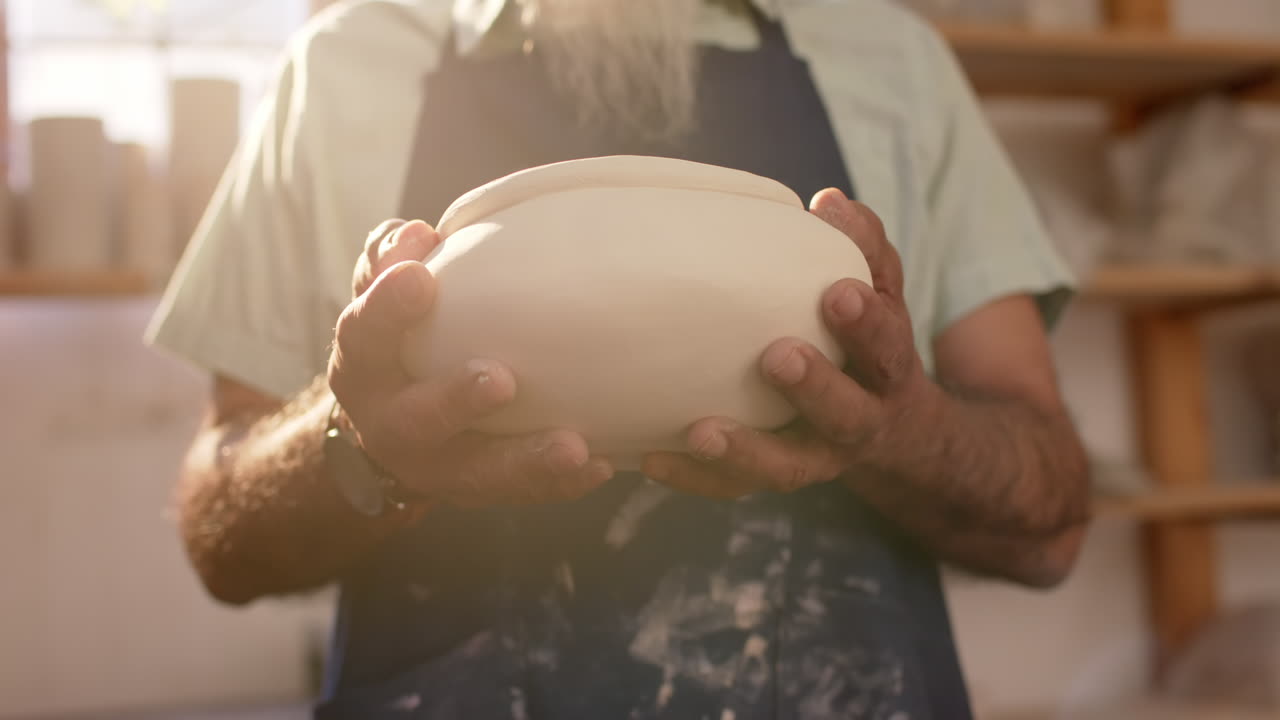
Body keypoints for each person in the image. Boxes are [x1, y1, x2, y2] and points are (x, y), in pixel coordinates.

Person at [146, 0, 1093, 717]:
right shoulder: (347, 62)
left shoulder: (888, 58)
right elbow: (219, 541)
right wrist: (359, 443)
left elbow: (1050, 525)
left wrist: (898, 429)